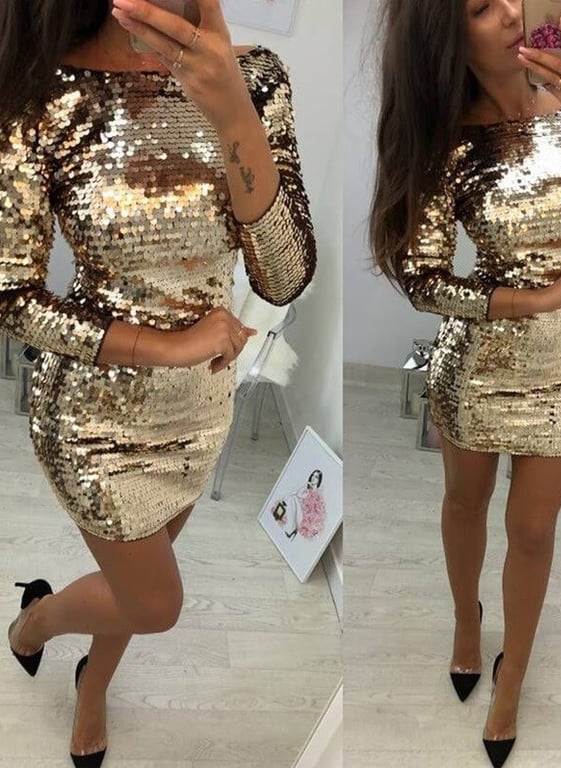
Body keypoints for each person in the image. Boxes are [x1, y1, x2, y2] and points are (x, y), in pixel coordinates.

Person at [0, 0, 316, 765]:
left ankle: (93, 686)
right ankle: (32, 623)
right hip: (94, 417)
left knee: (135, 588)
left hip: (200, 410)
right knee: (154, 601)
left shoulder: (257, 79)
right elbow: (11, 295)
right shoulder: (41, 90)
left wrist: (234, 111)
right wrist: (165, 348)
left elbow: (283, 279)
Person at [369, 1, 561, 765]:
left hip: (559, 370)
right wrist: (532, 299)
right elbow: (425, 281)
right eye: (483, 7)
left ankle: (513, 677)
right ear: (446, 35)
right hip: (477, 365)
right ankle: (467, 621)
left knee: (532, 531)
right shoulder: (445, 139)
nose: (514, 12)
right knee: (465, 504)